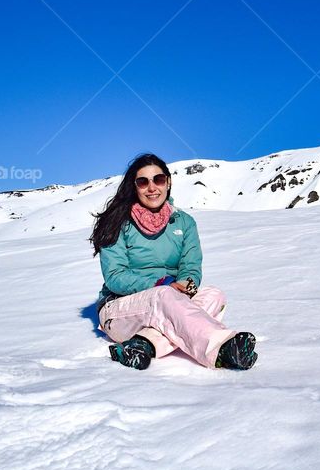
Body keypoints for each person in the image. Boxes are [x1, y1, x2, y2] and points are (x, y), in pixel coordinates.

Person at [89, 153, 257, 371]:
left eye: (158, 179)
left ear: (168, 182)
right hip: (120, 310)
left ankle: (143, 344)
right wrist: (163, 283)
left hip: (168, 301)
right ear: (135, 187)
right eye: (143, 182)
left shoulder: (184, 222)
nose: (152, 188)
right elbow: (115, 277)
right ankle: (221, 348)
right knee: (164, 295)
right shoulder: (118, 222)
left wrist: (186, 284)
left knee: (214, 294)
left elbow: (191, 266)